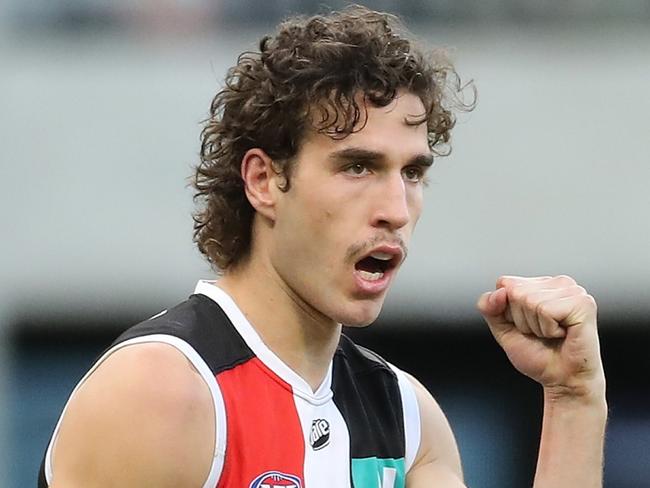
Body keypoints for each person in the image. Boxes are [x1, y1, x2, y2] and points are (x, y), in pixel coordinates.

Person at [39, 5, 607, 488]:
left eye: (412, 172)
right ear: (263, 181)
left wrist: (573, 400)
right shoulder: (162, 392)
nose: (396, 208)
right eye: (357, 166)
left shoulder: (406, 418)